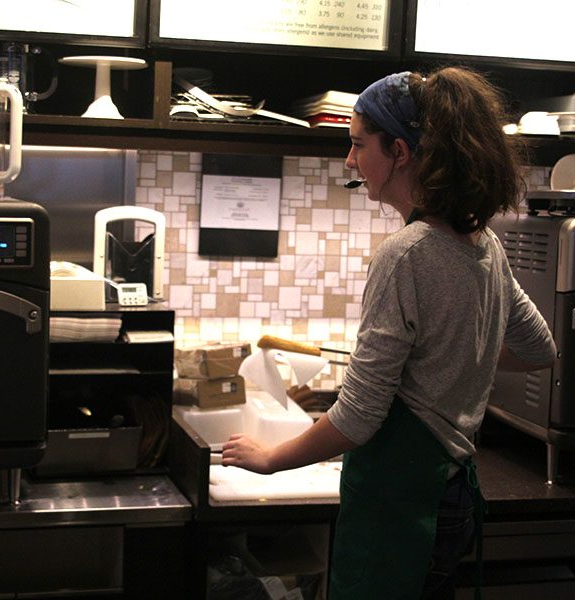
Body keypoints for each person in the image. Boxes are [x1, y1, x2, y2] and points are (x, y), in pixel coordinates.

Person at [221, 66, 557, 599]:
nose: (350, 160)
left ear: (399, 152)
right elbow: (540, 349)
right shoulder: (483, 243)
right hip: (454, 498)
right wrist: (455, 361)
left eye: (357, 145)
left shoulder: (406, 255)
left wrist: (270, 458)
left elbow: (357, 419)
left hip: (404, 508)